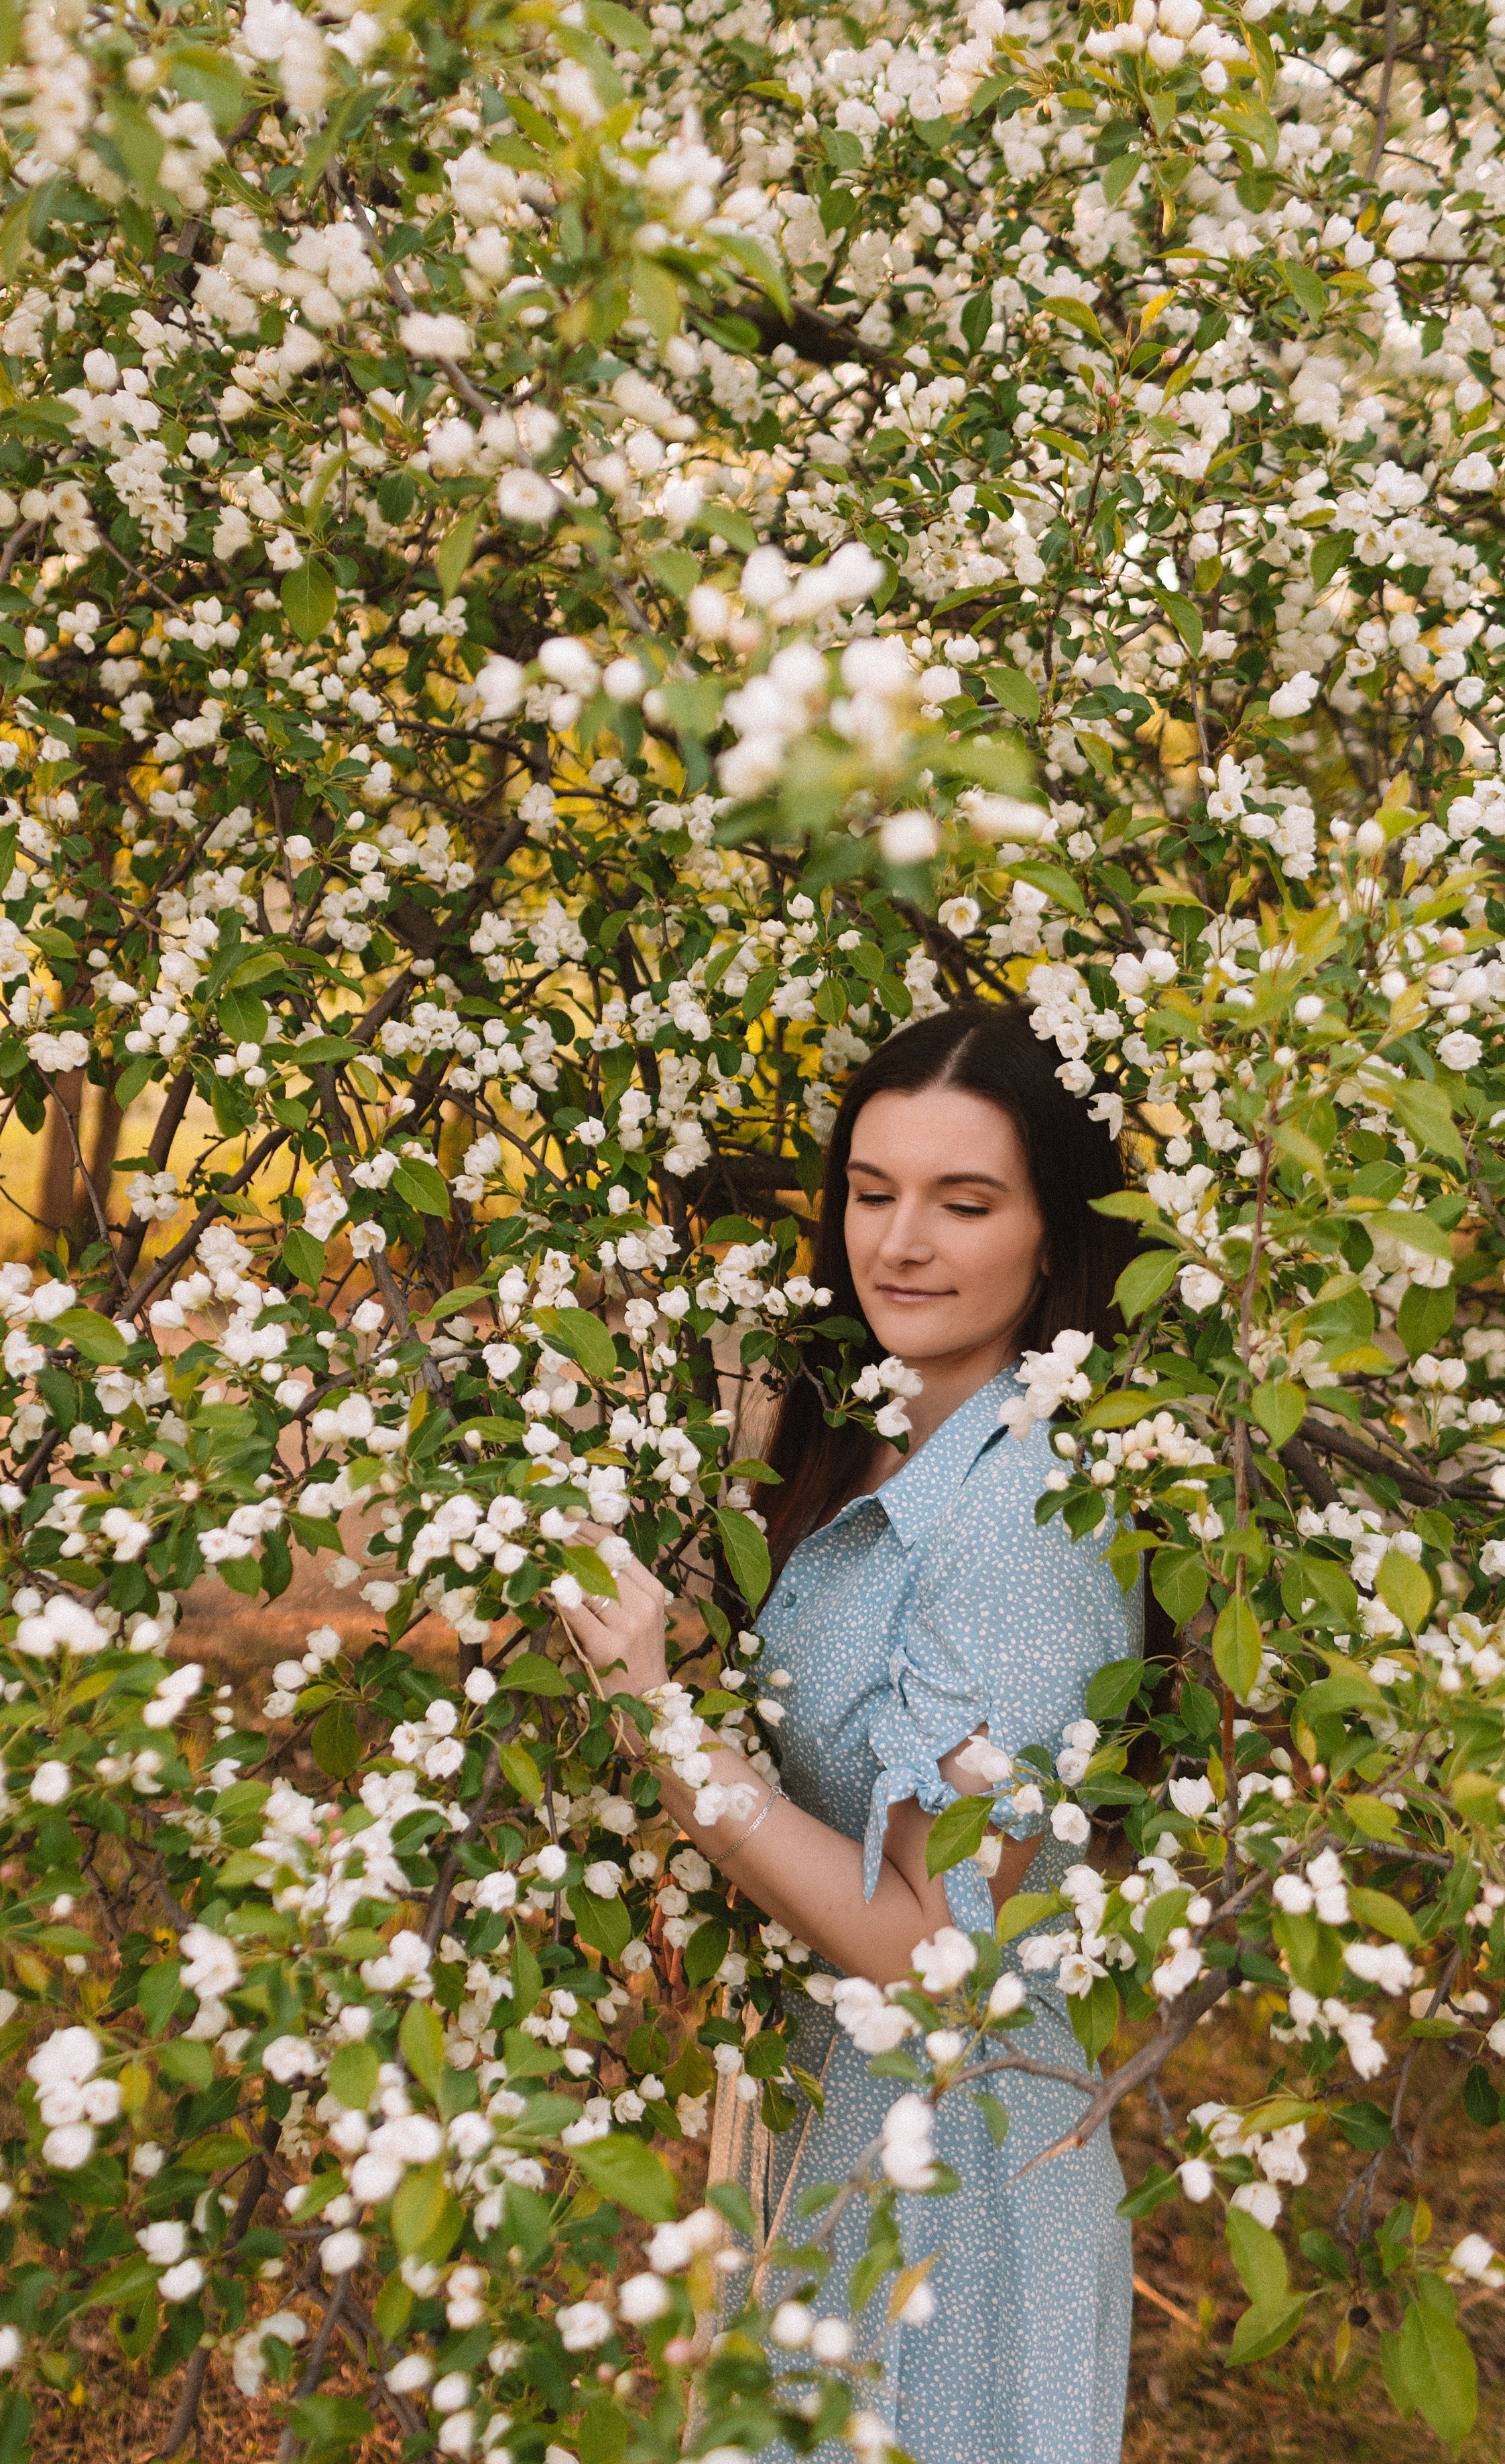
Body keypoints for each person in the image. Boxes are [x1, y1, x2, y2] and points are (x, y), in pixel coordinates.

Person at [556, 1003, 1144, 2464]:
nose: (899, 1244)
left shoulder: (1024, 1522)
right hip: (816, 2116)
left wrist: (660, 1726)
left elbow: (929, 1952)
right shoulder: (864, 1428)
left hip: (945, 2184)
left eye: (963, 1202)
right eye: (870, 1195)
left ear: (1051, 1234)